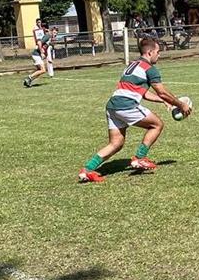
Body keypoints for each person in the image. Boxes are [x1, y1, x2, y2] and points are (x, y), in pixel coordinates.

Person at [77, 38, 192, 183]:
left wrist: (163, 101)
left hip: (112, 106)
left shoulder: (133, 65)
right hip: (126, 105)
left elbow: (141, 92)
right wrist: (180, 104)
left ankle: (87, 170)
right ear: (150, 52)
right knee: (157, 124)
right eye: (158, 52)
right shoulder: (150, 69)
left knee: (116, 143)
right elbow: (161, 91)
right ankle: (139, 158)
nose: (159, 55)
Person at [23, 17, 54, 88]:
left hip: (37, 55)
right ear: (49, 30)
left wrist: (46, 57)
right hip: (36, 55)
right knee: (43, 70)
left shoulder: (49, 38)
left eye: (56, 33)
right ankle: (28, 77)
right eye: (54, 32)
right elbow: (39, 43)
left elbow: (44, 48)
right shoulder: (47, 36)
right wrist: (41, 52)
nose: (55, 34)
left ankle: (28, 81)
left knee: (39, 71)